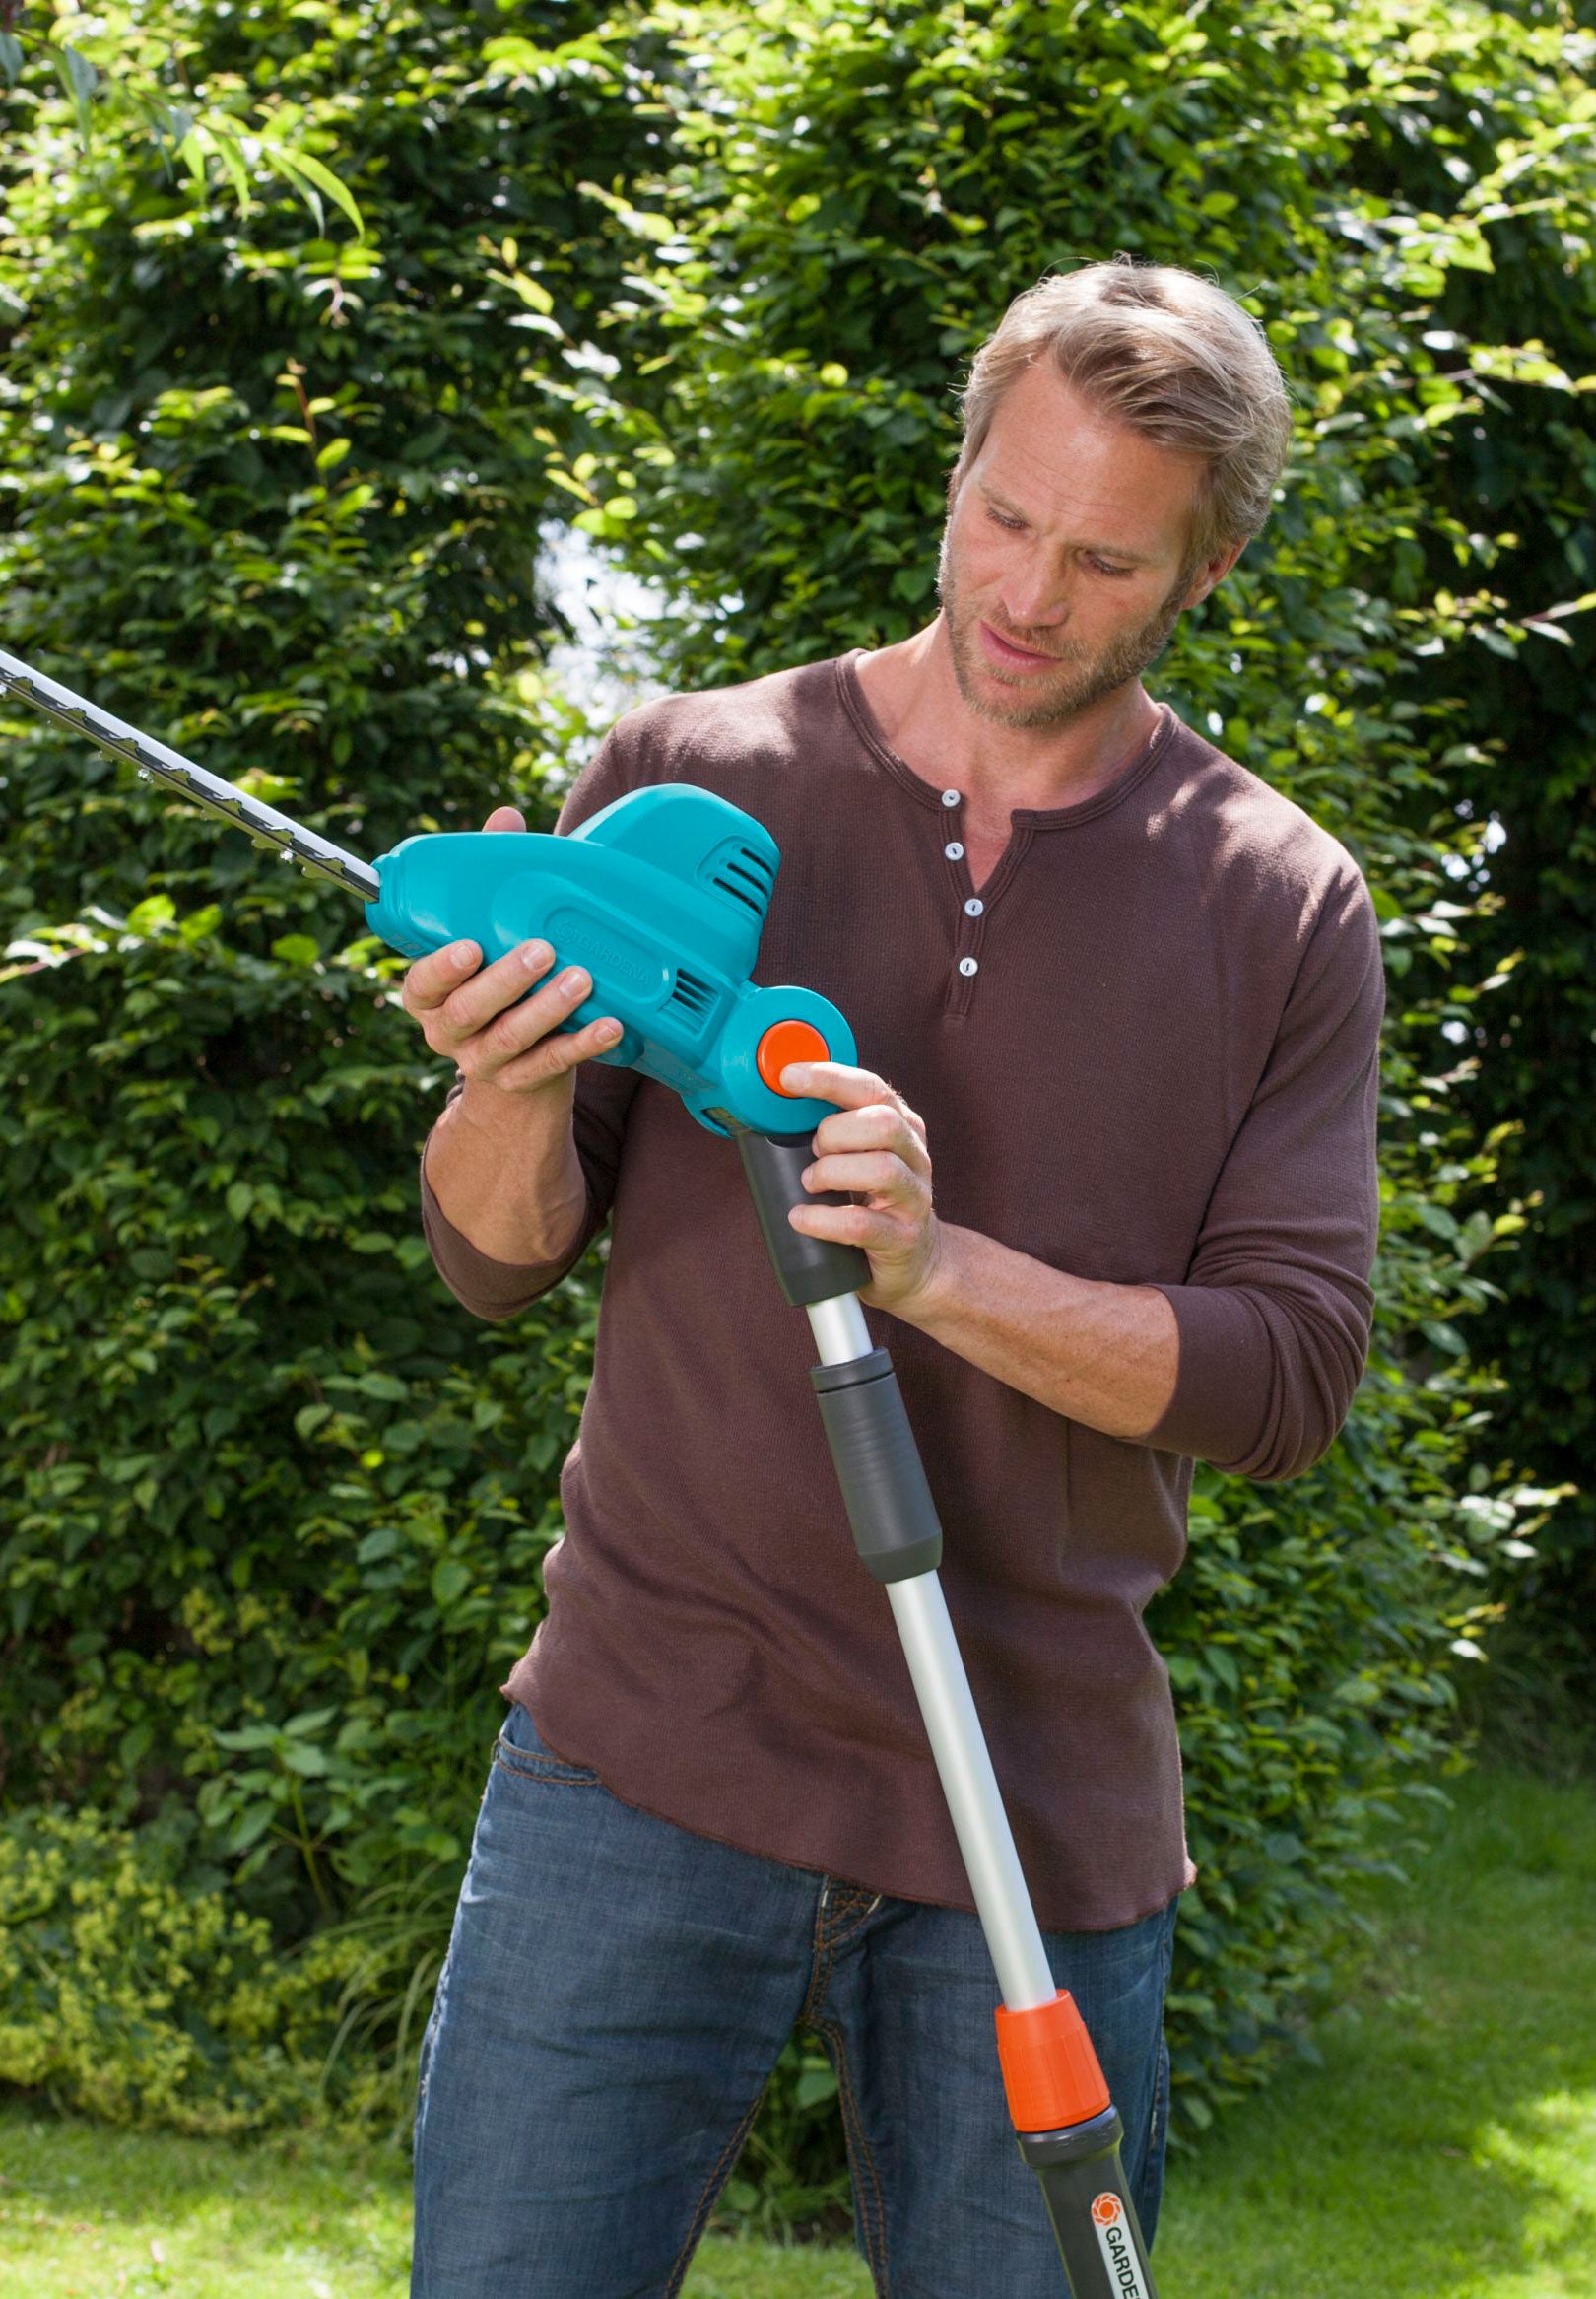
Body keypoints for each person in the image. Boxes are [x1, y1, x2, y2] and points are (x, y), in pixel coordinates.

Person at [398, 259, 1385, 2299]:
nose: (1026, 592)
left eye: (1104, 561)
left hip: (1031, 1802)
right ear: (958, 472)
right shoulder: (691, 775)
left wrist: (936, 1270)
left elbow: (1284, 1376)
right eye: (1003, 517)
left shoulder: (1278, 903)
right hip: (645, 1748)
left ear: (1204, 572)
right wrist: (509, 1083)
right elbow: (493, 1262)